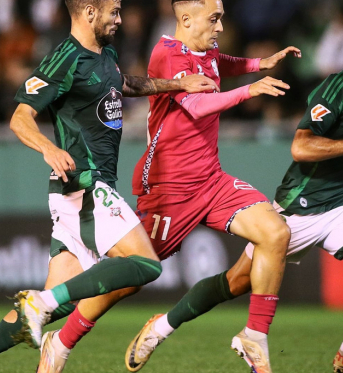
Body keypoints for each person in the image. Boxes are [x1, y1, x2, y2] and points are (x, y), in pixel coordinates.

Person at [0, 0, 219, 372]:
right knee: (145, 265)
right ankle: (42, 303)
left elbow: (125, 84)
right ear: (89, 12)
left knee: (61, 303)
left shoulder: (105, 54)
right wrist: (48, 147)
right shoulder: (64, 58)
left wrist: (176, 84)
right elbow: (20, 118)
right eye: (114, 11)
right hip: (84, 182)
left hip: (85, 188)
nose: (120, 19)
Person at [124, 13, 343, 373]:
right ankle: (161, 327)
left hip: (342, 205)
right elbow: (300, 147)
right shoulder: (335, 91)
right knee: (234, 283)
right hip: (299, 207)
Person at [125, 1, 301, 373]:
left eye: (221, 17)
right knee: (124, 277)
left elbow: (223, 62)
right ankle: (61, 328)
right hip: (169, 189)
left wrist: (258, 64)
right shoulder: (166, 55)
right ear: (186, 19)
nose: (221, 26)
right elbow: (198, 106)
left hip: (211, 180)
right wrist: (249, 91)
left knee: (275, 233)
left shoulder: (206, 50)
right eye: (214, 18)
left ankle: (255, 336)